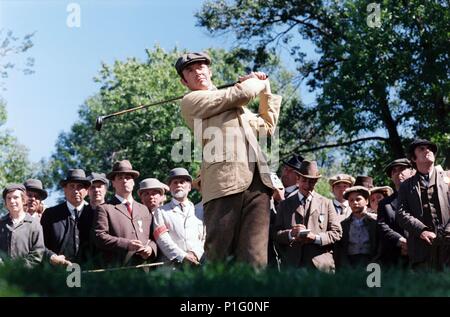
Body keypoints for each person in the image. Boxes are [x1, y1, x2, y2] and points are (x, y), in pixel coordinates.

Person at [175, 51, 282, 267]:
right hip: (223, 184)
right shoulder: (191, 100)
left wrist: (265, 87)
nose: (198, 72)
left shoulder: (237, 107)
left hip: (258, 183)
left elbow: (267, 126)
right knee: (219, 257)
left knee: (255, 260)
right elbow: (240, 94)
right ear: (183, 81)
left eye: (202, 67)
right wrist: (253, 82)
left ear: (210, 70)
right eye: (190, 70)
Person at [275, 161, 342, 272]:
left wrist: (315, 238)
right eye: (304, 180)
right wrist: (291, 234)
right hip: (291, 266)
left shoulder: (326, 203)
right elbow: (275, 233)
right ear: (298, 179)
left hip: (320, 266)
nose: (307, 185)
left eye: (311, 182)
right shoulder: (284, 204)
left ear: (316, 182)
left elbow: (337, 233)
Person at [397, 139, 450, 270]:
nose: (427, 150)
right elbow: (402, 214)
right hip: (421, 250)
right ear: (413, 158)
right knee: (425, 288)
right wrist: (422, 231)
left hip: (448, 247)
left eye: (430, 148)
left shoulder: (448, 177)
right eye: (422, 149)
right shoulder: (406, 186)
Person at [93, 160, 157, 267]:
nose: (124, 181)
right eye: (120, 178)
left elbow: (153, 237)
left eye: (128, 178)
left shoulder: (144, 209)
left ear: (133, 182)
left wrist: (150, 248)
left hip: (143, 270)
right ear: (113, 183)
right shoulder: (105, 208)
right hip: (118, 271)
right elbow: (99, 237)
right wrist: (127, 244)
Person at [40, 169, 94, 266]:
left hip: (89, 273)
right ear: (64, 189)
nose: (76, 190)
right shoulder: (51, 214)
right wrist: (51, 256)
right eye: (71, 186)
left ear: (86, 191)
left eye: (80, 186)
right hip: (58, 272)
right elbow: (39, 244)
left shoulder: (94, 214)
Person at [153, 168, 205, 265]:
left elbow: (204, 238)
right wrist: (182, 256)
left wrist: (195, 254)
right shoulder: (160, 211)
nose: (179, 185)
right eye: (175, 182)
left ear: (189, 187)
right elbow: (162, 238)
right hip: (171, 267)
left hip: (197, 265)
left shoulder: (199, 211)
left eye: (182, 182)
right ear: (170, 187)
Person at [377, 158, 415, 267]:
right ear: (391, 178)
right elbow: (382, 226)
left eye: (402, 169)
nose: (398, 173)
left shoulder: (423, 196)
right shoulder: (384, 203)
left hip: (422, 254)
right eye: (394, 171)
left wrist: (413, 244)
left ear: (412, 171)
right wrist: (401, 241)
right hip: (395, 257)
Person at [0, 184, 45, 268]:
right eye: (8, 198)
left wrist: (19, 268)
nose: (12, 201)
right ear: (5, 203)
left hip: (25, 277)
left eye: (15, 197)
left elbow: (37, 254)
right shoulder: (1, 223)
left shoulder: (34, 225)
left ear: (24, 200)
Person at [335, 186, 379, 268]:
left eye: (358, 199)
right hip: (351, 263)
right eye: (351, 200)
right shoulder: (344, 224)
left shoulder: (375, 221)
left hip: (373, 261)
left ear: (366, 201)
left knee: (373, 281)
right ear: (348, 203)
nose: (355, 202)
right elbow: (341, 249)